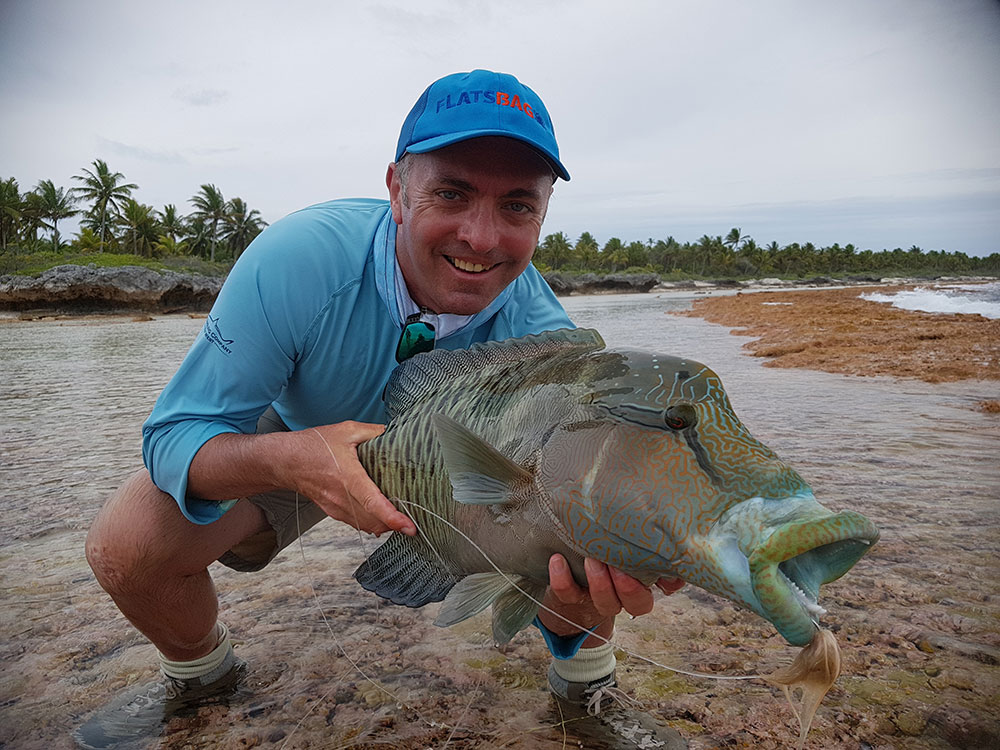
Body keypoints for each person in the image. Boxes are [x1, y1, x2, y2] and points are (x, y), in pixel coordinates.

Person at [75, 69, 686, 750]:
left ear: (543, 214)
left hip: (457, 476)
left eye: (517, 206)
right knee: (128, 542)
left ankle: (587, 692)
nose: (482, 238)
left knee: (586, 520)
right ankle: (200, 676)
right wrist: (293, 459)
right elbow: (173, 436)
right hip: (301, 435)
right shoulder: (298, 261)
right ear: (397, 189)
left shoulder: (544, 338)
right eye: (451, 193)